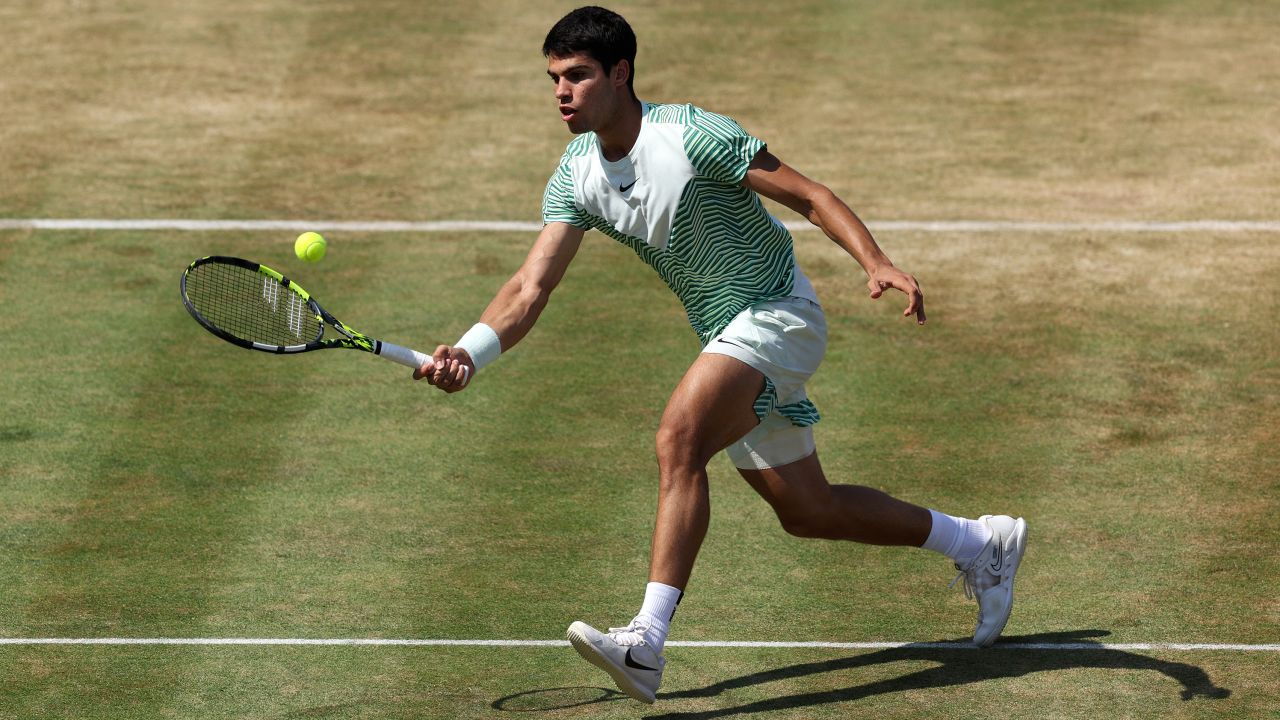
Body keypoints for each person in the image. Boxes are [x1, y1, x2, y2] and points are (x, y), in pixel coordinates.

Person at [415, 5, 1027, 705]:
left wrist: (876, 261)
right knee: (808, 509)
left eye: (578, 76)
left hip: (778, 315)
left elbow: (809, 195)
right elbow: (529, 288)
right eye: (554, 78)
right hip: (727, 333)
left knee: (679, 439)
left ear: (620, 74)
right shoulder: (576, 173)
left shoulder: (692, 134)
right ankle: (981, 543)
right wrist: (468, 352)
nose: (561, 91)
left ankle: (646, 642)